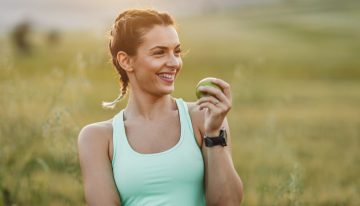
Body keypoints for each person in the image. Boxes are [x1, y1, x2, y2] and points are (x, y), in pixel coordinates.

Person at [77, 8, 243, 206]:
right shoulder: (97, 138)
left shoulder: (203, 118)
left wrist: (214, 133)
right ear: (126, 60)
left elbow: (229, 203)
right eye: (159, 53)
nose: (174, 62)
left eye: (177, 52)